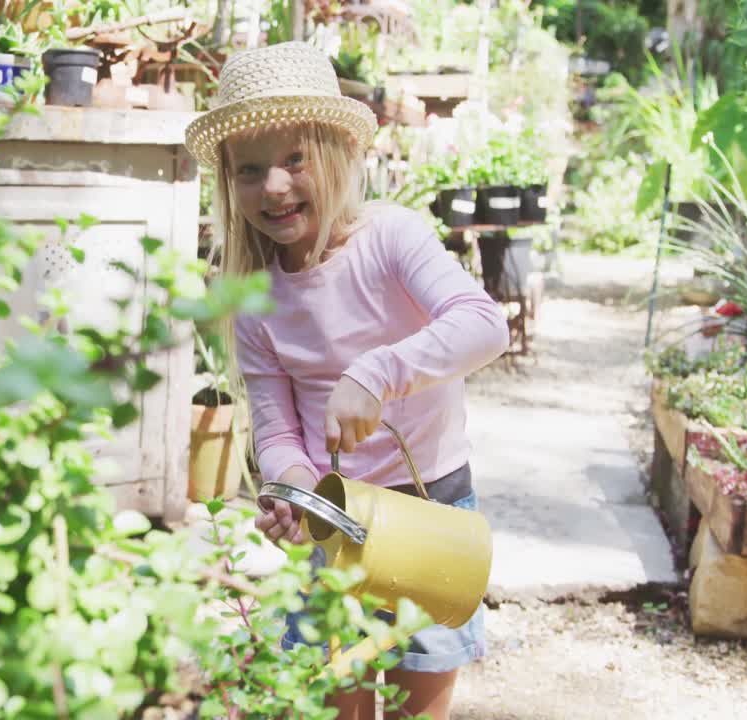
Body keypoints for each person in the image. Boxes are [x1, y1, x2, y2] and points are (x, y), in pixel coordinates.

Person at [184, 41, 510, 720]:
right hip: (339, 529)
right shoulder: (254, 295)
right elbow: (276, 429)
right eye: (250, 171)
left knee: (417, 703)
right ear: (228, 182)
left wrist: (377, 371)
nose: (273, 187)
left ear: (337, 154)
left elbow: (484, 324)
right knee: (338, 706)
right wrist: (293, 488)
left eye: (294, 160)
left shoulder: (391, 239)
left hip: (430, 514)